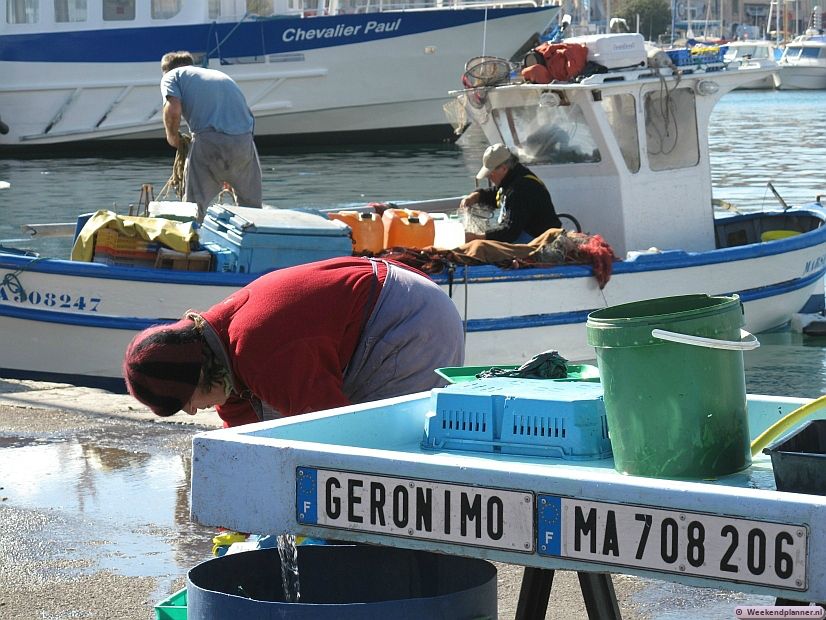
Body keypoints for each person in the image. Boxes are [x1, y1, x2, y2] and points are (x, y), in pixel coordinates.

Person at [122, 256, 465, 427]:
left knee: (376, 449)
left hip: (410, 321)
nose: (192, 411)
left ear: (198, 373)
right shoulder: (222, 347)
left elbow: (333, 428)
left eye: (186, 401)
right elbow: (242, 441)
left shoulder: (258, 350)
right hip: (388, 303)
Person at [160, 50, 263, 221]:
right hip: (244, 140)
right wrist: (229, 171)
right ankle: (253, 233)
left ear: (166, 70)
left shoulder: (172, 76)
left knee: (194, 208)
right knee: (252, 209)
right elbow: (247, 115)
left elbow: (173, 110)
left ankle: (192, 234)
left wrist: (172, 137)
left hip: (208, 139)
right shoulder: (216, 75)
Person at [460, 143, 562, 243]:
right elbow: (499, 193)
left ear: (504, 168)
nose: (488, 177)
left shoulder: (522, 189)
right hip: (524, 233)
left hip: (541, 241)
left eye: (490, 173)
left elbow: (510, 232)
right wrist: (476, 196)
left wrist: (476, 237)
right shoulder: (514, 177)